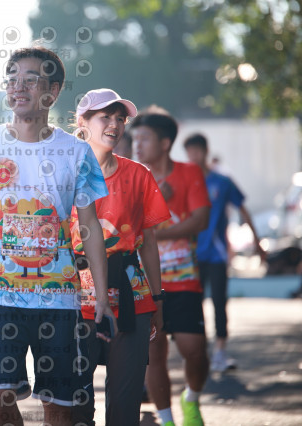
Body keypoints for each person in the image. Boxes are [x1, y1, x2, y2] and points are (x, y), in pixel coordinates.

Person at [0, 46, 114, 426]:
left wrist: (101, 297)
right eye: (12, 79)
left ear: (53, 90)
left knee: (59, 407)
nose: (18, 87)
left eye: (30, 80)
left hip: (58, 298)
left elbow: (90, 227)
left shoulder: (76, 152)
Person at [70, 89, 170, 425]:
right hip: (74, 299)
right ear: (82, 122)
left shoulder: (138, 175)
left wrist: (158, 299)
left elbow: (149, 243)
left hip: (131, 298)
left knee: (125, 409)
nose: (114, 124)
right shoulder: (61, 173)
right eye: (105, 117)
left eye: (120, 118)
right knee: (75, 406)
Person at [131, 109, 211, 426]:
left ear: (165, 143)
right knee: (154, 355)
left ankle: (191, 397)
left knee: (196, 352)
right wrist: (155, 205)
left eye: (144, 138)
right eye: (135, 139)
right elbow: (124, 229)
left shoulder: (189, 173)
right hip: (146, 284)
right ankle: (166, 420)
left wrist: (155, 229)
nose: (137, 145)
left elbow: (200, 220)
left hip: (185, 281)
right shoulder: (132, 177)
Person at [183, 133, 266, 372]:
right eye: (189, 152)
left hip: (217, 253)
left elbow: (243, 209)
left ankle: (220, 351)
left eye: (197, 151)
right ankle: (200, 352)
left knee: (219, 301)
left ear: (205, 152)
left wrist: (257, 242)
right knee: (194, 304)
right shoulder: (186, 182)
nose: (193, 156)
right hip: (191, 255)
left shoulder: (222, 181)